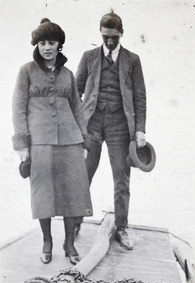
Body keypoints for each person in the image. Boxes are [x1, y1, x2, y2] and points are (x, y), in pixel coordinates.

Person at [12, 18, 92, 265]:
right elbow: (18, 108)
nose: (47, 47)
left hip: (70, 141)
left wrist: (84, 141)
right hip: (40, 141)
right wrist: (23, 145)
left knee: (73, 193)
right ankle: (47, 241)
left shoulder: (68, 74)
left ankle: (69, 244)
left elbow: (77, 108)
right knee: (43, 193)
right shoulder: (26, 71)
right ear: (37, 45)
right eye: (43, 42)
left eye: (52, 43)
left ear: (60, 46)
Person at [75, 11, 147, 250]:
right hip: (91, 125)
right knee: (84, 174)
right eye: (106, 37)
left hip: (119, 126)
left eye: (114, 37)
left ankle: (122, 228)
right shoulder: (88, 57)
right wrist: (75, 125)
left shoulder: (132, 60)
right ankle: (75, 222)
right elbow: (75, 93)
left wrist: (140, 131)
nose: (109, 42)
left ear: (122, 34)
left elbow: (139, 97)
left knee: (121, 179)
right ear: (101, 33)